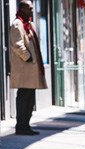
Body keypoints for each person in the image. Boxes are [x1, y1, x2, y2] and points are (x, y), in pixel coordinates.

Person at [9, 0, 47, 136]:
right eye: (29, 8)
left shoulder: (28, 23)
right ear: (23, 9)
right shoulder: (17, 24)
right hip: (24, 68)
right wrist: (28, 57)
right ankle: (21, 126)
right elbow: (17, 45)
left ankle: (26, 125)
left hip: (31, 69)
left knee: (30, 99)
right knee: (24, 97)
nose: (32, 11)